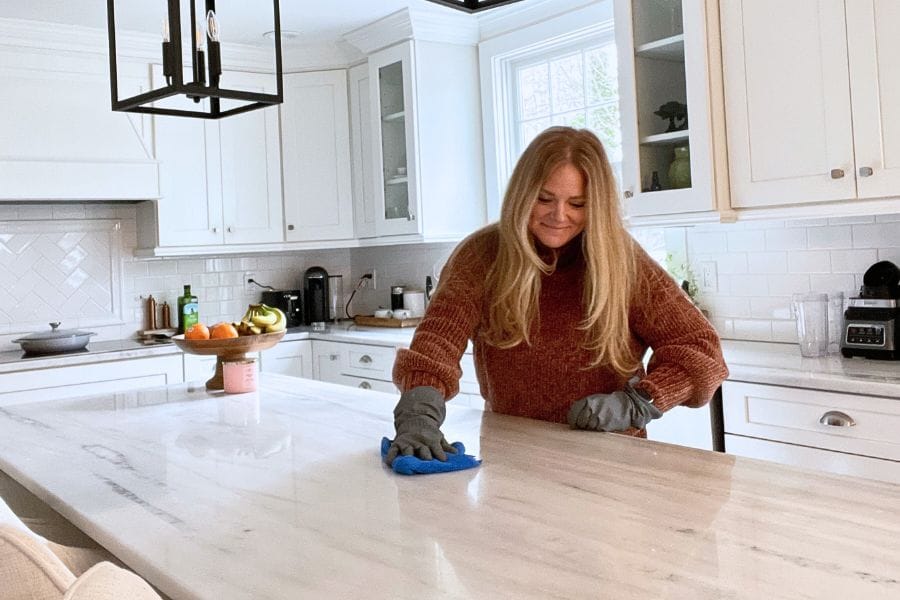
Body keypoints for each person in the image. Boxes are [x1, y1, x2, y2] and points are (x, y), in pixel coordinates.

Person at [385, 126, 728, 465]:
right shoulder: (483, 255)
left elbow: (700, 348)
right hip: (512, 455)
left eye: (577, 203)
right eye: (544, 198)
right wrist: (419, 412)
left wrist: (638, 402)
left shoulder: (621, 260)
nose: (559, 215)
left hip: (612, 461)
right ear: (522, 194)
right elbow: (437, 344)